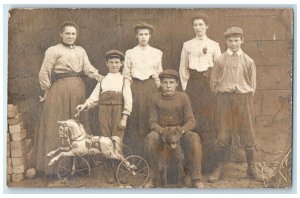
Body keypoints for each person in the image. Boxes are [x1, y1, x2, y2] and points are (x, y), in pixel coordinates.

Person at [35, 21, 102, 177]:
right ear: (61, 34)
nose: (70, 36)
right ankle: (55, 168)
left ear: (76, 35)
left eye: (73, 34)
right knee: (58, 125)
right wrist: (46, 91)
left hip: (78, 90)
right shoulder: (53, 50)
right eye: (67, 33)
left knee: (78, 126)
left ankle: (79, 166)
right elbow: (44, 72)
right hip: (59, 92)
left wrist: (102, 78)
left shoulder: (81, 50)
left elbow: (88, 68)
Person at [208, 27, 263, 183]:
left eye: (236, 40)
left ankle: (251, 168)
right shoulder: (219, 60)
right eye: (230, 41)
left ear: (242, 41)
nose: (233, 44)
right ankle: (219, 168)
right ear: (226, 42)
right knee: (223, 134)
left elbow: (252, 85)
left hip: (243, 99)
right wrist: (222, 94)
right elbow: (213, 83)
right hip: (225, 100)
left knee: (248, 132)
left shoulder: (248, 61)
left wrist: (243, 96)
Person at [76, 50, 132, 183]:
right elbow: (94, 98)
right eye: (111, 62)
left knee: (117, 140)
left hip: (118, 112)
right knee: (105, 141)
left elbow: (128, 100)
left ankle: (119, 170)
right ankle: (109, 171)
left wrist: (124, 117)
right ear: (106, 64)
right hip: (103, 113)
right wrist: (84, 105)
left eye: (117, 62)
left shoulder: (125, 81)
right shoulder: (102, 81)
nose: (114, 65)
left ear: (121, 64)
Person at [144, 69, 204, 188]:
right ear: (160, 84)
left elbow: (191, 121)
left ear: (177, 84)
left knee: (194, 138)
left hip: (179, 132)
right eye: (165, 83)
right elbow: (152, 122)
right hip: (162, 132)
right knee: (151, 138)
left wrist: (181, 131)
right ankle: (152, 177)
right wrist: (163, 132)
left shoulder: (183, 97)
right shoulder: (155, 98)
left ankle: (196, 178)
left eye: (171, 83)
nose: (168, 86)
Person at [179, 14, 221, 172]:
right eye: (195, 25)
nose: (198, 27)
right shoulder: (187, 45)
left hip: (208, 84)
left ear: (206, 26)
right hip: (193, 84)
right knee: (192, 120)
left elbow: (218, 67)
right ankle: (190, 165)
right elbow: (183, 67)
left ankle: (208, 166)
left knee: (207, 122)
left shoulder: (214, 45)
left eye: (201, 24)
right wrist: (185, 88)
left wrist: (214, 86)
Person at [122, 22, 163, 156]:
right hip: (136, 88)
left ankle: (150, 156)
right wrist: (127, 92)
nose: (143, 37)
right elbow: (126, 75)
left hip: (151, 87)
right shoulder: (130, 53)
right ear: (136, 36)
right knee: (136, 120)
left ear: (150, 36)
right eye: (141, 34)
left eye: (146, 34)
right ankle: (136, 158)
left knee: (150, 118)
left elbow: (158, 74)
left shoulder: (157, 53)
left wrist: (159, 90)